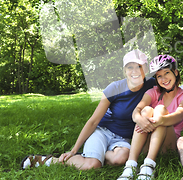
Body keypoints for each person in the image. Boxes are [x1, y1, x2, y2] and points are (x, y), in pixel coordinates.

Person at [21, 49, 156, 170]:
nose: (135, 71)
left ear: (146, 69)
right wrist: (74, 150)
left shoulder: (152, 85)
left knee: (119, 159)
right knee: (92, 165)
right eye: (130, 67)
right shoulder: (114, 88)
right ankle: (51, 160)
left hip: (122, 139)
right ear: (124, 70)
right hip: (102, 131)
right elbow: (94, 120)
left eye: (139, 66)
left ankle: (93, 154)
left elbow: (171, 86)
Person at [115, 55, 183, 180]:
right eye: (159, 76)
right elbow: (136, 111)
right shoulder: (152, 92)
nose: (164, 79)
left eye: (167, 73)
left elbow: (179, 115)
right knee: (145, 111)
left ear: (176, 72)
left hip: (169, 145)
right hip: (147, 143)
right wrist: (139, 119)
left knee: (160, 109)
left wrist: (159, 120)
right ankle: (130, 166)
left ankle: (149, 164)